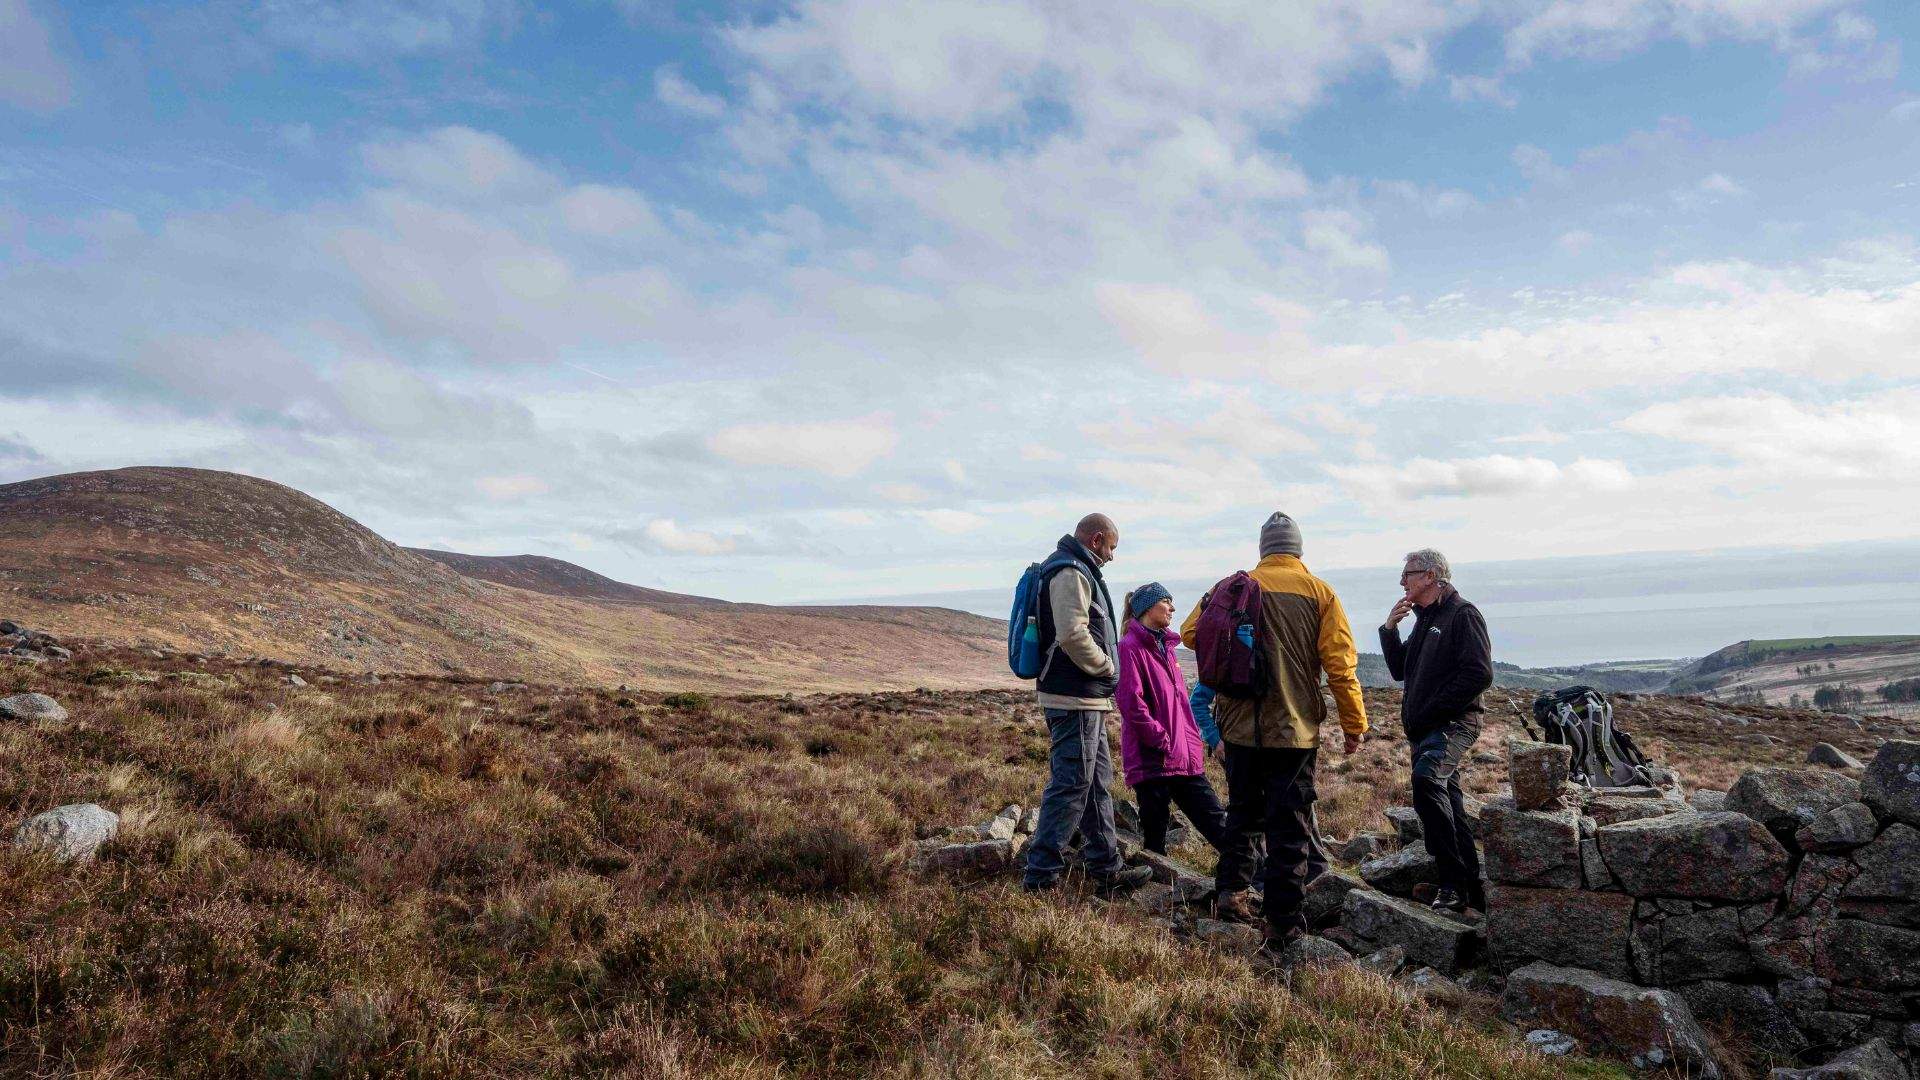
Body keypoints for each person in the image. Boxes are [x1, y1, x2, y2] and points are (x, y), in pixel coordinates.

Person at [1180, 512, 1368, 951]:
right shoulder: (1320, 593)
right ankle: (1282, 922)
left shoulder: (1234, 586)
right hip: (1295, 730)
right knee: (1290, 824)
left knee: (1243, 813)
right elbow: (1341, 666)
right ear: (1298, 549)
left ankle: (1231, 895)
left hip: (1240, 726)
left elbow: (1190, 633)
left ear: (1264, 548)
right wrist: (1353, 723)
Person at [1021, 514, 1155, 894]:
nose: (1112, 556)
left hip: (1085, 698)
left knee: (1095, 783)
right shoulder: (1070, 572)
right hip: (1073, 696)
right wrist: (1107, 666)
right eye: (1112, 547)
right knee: (1072, 783)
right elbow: (1072, 634)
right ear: (1096, 539)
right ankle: (1040, 876)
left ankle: (1105, 869)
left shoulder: (1076, 569)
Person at [1381, 548, 1494, 915]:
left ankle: (1451, 885)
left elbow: (1479, 673)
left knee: (1427, 783)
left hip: (1453, 724)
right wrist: (1388, 630)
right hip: (1425, 728)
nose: (1402, 581)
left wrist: (1434, 709)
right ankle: (1469, 886)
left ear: (1430, 576)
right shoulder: (1426, 618)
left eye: (1408, 574)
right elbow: (1400, 670)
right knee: (1450, 800)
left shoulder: (1462, 615)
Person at [1115, 582, 1230, 856]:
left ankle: (1257, 880)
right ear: (1146, 607)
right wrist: (1161, 739)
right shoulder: (1129, 648)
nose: (1173, 608)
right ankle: (1154, 892)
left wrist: (1189, 742)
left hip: (1182, 756)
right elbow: (1131, 702)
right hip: (1154, 758)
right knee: (1155, 840)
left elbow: (1181, 706)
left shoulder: (1167, 648)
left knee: (1218, 824)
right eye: (1166, 601)